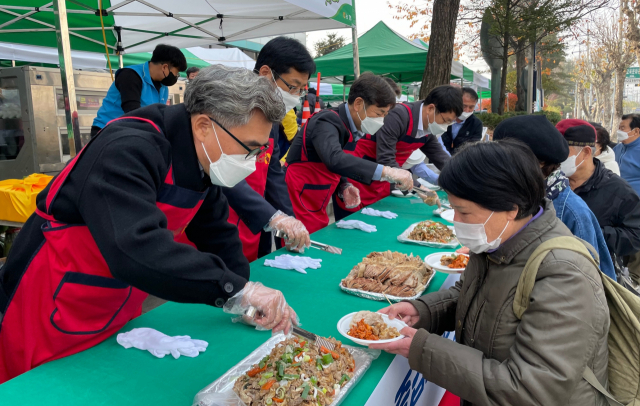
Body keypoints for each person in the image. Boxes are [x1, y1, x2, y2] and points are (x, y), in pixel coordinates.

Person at [0, 66, 298, 382]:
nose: (251, 162)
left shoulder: (203, 158)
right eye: (249, 148)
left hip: (115, 299)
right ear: (203, 126)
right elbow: (133, 245)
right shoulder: (128, 146)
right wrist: (234, 290)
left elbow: (215, 230)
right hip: (51, 298)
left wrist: (244, 294)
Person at [372, 139, 610, 406]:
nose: (456, 222)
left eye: (463, 212)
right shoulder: (498, 240)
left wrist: (424, 350)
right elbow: (473, 295)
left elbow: (530, 390)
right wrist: (423, 311)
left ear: (510, 209)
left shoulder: (564, 275)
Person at [285, 73, 415, 234]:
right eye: (379, 113)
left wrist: (344, 185)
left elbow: (336, 164)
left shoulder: (353, 126)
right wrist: (387, 171)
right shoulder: (327, 121)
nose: (382, 120)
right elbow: (334, 158)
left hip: (318, 197)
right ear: (359, 104)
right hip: (297, 197)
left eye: (385, 115)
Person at [222, 36, 312, 262]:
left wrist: (288, 220)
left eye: (301, 89)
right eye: (292, 86)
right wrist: (271, 215)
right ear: (265, 73)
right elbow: (224, 175)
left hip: (258, 221)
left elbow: (273, 175)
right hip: (222, 220)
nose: (296, 95)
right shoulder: (227, 111)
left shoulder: (271, 118)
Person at [493, 115, 616, 279]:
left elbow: (586, 282)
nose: (497, 166)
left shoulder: (572, 213)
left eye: (506, 159)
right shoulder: (520, 195)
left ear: (540, 162)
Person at [333, 85, 461, 218]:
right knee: (350, 228)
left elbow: (442, 159)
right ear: (430, 108)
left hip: (382, 182)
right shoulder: (398, 116)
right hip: (357, 178)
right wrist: (419, 187)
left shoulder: (427, 130)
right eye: (445, 121)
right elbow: (386, 159)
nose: (445, 127)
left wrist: (460, 181)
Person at [556, 119, 640, 274]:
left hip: (594, 274)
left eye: (563, 152)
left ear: (586, 152)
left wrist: (592, 232)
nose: (556, 158)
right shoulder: (550, 183)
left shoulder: (618, 191)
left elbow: (635, 236)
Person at [91, 44, 187, 137]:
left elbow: (160, 113)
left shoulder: (163, 87)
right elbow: (133, 112)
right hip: (108, 131)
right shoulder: (130, 76)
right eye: (176, 73)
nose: (176, 77)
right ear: (165, 67)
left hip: (134, 132)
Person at [441, 87, 483, 155]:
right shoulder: (443, 118)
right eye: (464, 106)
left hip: (462, 160)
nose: (467, 110)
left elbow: (472, 148)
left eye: (471, 107)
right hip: (439, 158)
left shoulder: (476, 124)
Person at [614, 114, 640, 195]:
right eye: (619, 128)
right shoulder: (617, 148)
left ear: (636, 131)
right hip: (617, 197)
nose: (619, 131)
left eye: (622, 128)